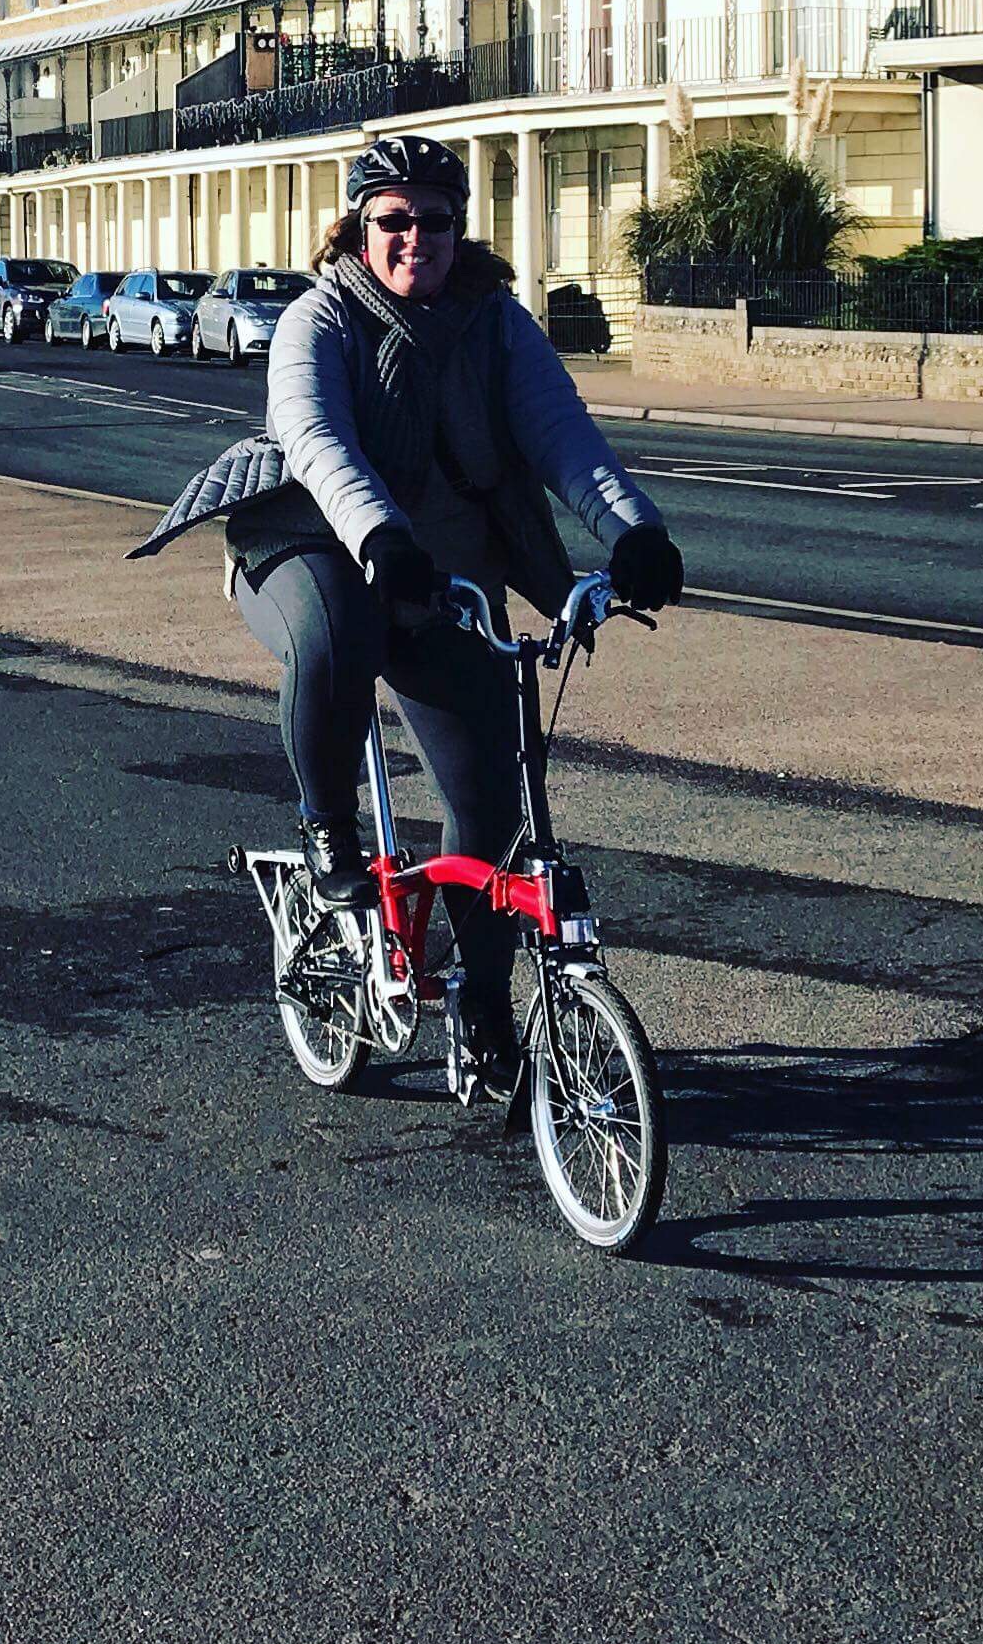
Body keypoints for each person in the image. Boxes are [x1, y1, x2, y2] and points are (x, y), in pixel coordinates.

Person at [228, 136, 682, 1098]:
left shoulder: (496, 323)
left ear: (458, 228)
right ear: (358, 229)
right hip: (315, 543)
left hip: (443, 583)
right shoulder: (320, 319)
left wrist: (635, 531)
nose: (414, 238)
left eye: (433, 220)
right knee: (337, 635)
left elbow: (564, 436)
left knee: (494, 801)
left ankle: (482, 1010)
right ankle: (327, 829)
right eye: (392, 219)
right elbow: (315, 439)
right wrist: (380, 537)